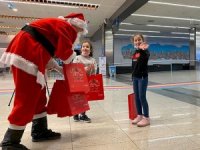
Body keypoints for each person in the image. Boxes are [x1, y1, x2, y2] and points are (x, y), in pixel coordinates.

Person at [0, 13, 88, 150]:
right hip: (27, 53)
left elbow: (46, 49)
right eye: (79, 30)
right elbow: (66, 54)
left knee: (38, 94)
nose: (78, 33)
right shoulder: (67, 27)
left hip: (29, 51)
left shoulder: (56, 27)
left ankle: (39, 131)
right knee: (27, 96)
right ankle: (10, 142)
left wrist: (60, 69)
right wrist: (74, 73)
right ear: (75, 24)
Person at [73, 40, 97, 123]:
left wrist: (92, 70)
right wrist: (84, 69)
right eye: (83, 46)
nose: (85, 48)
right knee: (78, 98)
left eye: (87, 47)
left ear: (90, 49)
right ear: (81, 48)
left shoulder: (93, 60)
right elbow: (73, 70)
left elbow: (94, 72)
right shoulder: (77, 58)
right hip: (78, 82)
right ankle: (76, 113)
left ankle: (83, 114)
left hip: (88, 82)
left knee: (85, 98)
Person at [131, 33, 150, 127]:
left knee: (142, 97)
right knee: (136, 97)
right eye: (136, 40)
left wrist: (143, 50)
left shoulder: (145, 51)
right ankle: (139, 115)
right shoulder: (135, 52)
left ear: (142, 40)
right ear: (133, 42)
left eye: (139, 39)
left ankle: (146, 118)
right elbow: (134, 65)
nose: (138, 41)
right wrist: (132, 76)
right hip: (135, 77)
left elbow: (145, 60)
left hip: (142, 77)